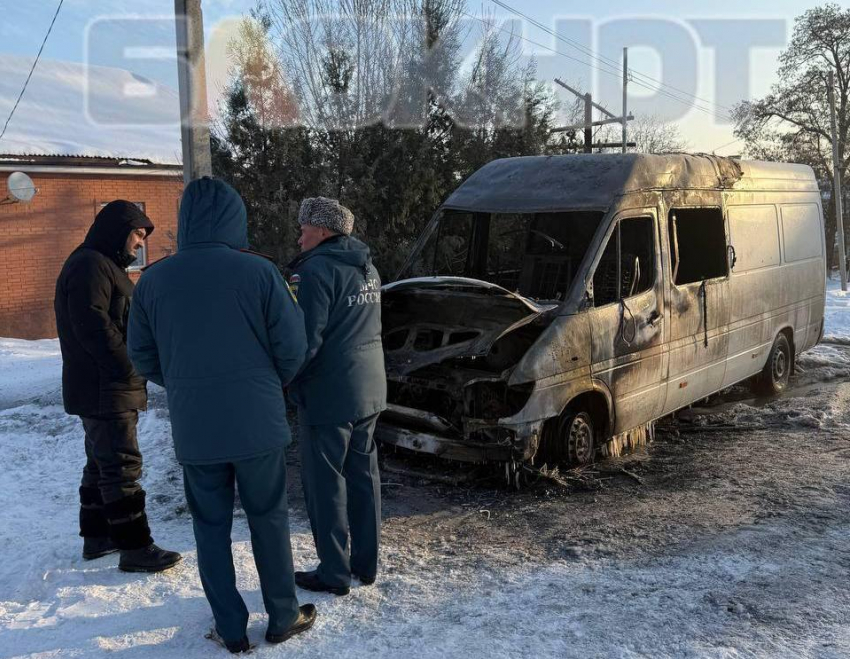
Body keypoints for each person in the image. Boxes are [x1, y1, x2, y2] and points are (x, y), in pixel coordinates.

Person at [127, 177, 316, 654]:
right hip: (257, 422)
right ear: (236, 217)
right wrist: (267, 384)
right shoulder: (260, 272)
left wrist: (186, 385)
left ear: (185, 219)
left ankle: (230, 628)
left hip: (197, 426)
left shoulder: (153, 280)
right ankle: (283, 615)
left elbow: (142, 356)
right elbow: (293, 346)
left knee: (209, 527)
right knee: (268, 519)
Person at [54, 200, 181, 573]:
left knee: (102, 461)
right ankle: (135, 546)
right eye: (137, 234)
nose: (140, 243)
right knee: (122, 466)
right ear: (118, 230)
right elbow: (93, 326)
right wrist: (131, 364)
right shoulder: (90, 264)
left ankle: (99, 537)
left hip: (104, 385)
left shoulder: (101, 264)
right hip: (105, 386)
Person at [287, 197, 387, 596]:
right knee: (364, 477)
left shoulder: (315, 271)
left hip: (329, 393)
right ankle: (365, 563)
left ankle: (333, 572)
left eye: (304, 230)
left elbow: (304, 340)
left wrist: (284, 379)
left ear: (323, 231)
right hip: (369, 387)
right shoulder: (367, 268)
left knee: (325, 484)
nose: (299, 239)